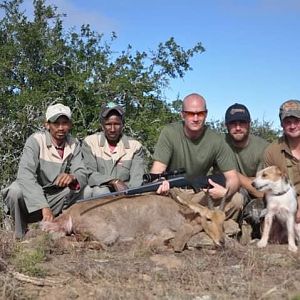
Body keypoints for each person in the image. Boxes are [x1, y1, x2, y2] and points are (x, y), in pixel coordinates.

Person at [151, 93, 243, 222]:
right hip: (173, 194)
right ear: (182, 115)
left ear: (206, 114)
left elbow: (233, 178)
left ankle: (223, 232)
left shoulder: (216, 140)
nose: (195, 118)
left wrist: (225, 192)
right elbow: (156, 171)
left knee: (237, 200)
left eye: (200, 114)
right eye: (190, 114)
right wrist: (159, 185)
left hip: (200, 194)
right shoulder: (169, 133)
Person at [1, 103, 88, 238]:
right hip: (35, 198)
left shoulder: (74, 143)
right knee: (15, 191)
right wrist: (43, 206)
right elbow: (24, 175)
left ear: (70, 125)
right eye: (56, 123)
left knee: (88, 192)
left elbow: (82, 172)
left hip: (58, 197)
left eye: (64, 123)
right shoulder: (36, 140)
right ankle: (20, 235)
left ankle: (69, 230)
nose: (60, 128)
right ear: (47, 125)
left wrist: (72, 176)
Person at [224, 103, 269, 239]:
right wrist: (249, 180)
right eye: (233, 123)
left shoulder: (264, 148)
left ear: (249, 124)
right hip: (228, 193)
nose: (238, 128)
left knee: (257, 212)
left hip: (254, 197)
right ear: (226, 125)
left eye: (242, 123)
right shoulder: (218, 144)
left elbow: (262, 192)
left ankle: (252, 234)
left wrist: (233, 175)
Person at [82, 102, 145, 197]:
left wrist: (128, 195)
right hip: (99, 191)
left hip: (125, 193)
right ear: (102, 125)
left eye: (116, 124)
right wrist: (113, 181)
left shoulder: (135, 146)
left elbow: (137, 179)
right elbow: (89, 174)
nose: (112, 129)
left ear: (123, 125)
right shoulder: (90, 142)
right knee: (96, 191)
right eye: (108, 124)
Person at [264, 99, 300, 225]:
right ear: (281, 124)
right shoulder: (272, 151)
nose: (293, 126)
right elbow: (269, 189)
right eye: (288, 122)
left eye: (297, 121)